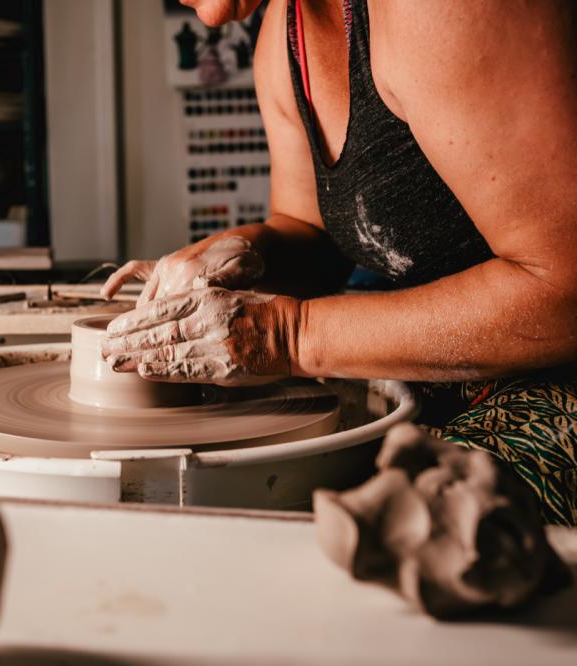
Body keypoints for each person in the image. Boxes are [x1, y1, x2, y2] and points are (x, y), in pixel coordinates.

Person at [100, 0, 577, 525]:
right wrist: (241, 253)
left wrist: (287, 337)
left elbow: (564, 286)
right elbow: (310, 229)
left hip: (558, 378)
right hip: (444, 379)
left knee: (409, 535)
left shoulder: (439, 10)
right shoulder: (284, 36)